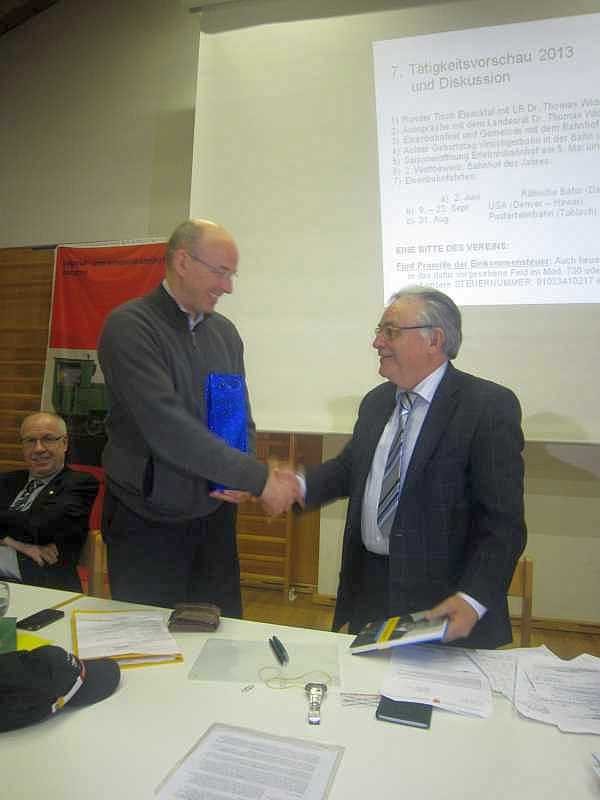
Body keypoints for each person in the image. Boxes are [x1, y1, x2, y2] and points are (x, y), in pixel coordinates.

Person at [301, 286, 526, 648]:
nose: (377, 342)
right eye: (379, 330)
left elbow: (503, 524)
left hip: (445, 608)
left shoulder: (487, 406)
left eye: (390, 331)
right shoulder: (376, 402)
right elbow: (349, 470)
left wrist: (473, 599)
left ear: (434, 340)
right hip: (371, 593)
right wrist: (294, 485)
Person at [97, 218, 295, 614]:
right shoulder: (129, 328)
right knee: (150, 640)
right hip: (146, 522)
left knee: (221, 633)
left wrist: (237, 474)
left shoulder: (225, 333)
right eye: (220, 272)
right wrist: (257, 478)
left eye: (231, 275)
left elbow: (236, 414)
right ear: (183, 261)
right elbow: (167, 427)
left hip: (214, 518)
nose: (228, 286)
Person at [0, 412, 99, 592]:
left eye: (48, 439)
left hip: (41, 586)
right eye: (30, 441)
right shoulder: (7, 480)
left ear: (65, 443)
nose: (38, 448)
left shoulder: (80, 483)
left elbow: (40, 526)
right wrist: (16, 544)